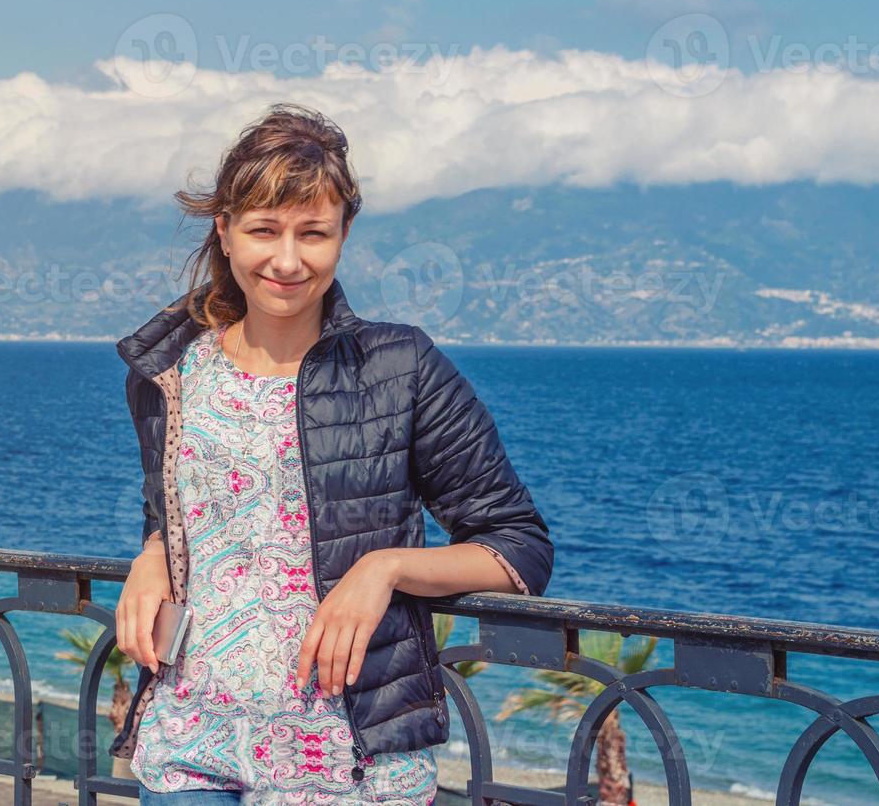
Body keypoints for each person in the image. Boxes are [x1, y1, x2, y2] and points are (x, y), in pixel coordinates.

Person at [111, 103, 554, 805]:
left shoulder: (399, 367)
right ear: (224, 232)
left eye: (313, 233)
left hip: (347, 770)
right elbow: (178, 511)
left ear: (343, 235)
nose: (287, 260)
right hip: (188, 749)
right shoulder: (172, 372)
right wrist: (153, 553)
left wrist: (386, 568)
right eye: (263, 230)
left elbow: (519, 547)